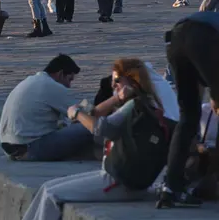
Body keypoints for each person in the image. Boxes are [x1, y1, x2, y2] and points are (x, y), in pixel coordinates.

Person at [22, 58, 169, 220]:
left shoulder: (134, 106)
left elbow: (100, 128)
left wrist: (77, 113)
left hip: (118, 182)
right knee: (46, 187)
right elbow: (95, 113)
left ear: (132, 81)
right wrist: (116, 98)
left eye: (117, 81)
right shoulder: (145, 103)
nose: (113, 85)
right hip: (118, 178)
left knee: (51, 194)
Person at [161, 11, 219, 207]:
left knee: (188, 116)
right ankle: (213, 179)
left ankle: (171, 187)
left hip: (177, 37)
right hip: (204, 39)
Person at [0, 54, 92, 161]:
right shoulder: (51, 86)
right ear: (61, 74)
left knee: (65, 127)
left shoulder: (32, 81)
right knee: (89, 127)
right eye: (69, 79)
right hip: (31, 148)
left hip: (11, 147)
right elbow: (85, 114)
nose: (69, 86)